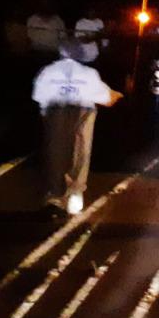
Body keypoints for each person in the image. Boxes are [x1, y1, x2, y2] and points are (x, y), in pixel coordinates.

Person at [32, 40, 122, 216]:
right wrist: (116, 95)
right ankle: (75, 193)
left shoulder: (48, 71)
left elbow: (38, 96)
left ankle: (54, 196)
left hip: (54, 112)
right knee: (80, 149)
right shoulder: (89, 73)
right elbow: (107, 98)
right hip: (82, 112)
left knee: (55, 152)